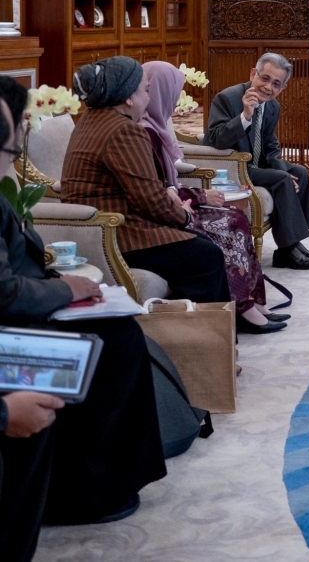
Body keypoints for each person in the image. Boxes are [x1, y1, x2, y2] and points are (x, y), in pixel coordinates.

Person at [0, 78, 166, 561]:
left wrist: (58, 282)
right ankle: (82, 491)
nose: (12, 161)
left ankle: (104, 481)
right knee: (110, 345)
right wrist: (66, 290)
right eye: (10, 148)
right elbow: (5, 292)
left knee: (120, 333)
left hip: (25, 312)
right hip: (14, 328)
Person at [62, 56, 231, 305]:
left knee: (202, 244)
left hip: (100, 229)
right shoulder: (124, 130)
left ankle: (208, 320)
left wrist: (171, 201)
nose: (149, 98)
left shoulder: (91, 119)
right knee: (207, 255)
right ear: (129, 98)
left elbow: (142, 188)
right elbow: (150, 200)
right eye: (146, 90)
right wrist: (184, 215)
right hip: (118, 233)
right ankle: (206, 328)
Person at [140, 61, 288, 334]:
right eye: (173, 94)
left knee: (238, 215)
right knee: (228, 223)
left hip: (179, 201)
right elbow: (213, 142)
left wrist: (187, 193)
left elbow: (167, 177)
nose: (175, 104)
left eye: (276, 83)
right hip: (158, 217)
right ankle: (242, 307)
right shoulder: (141, 132)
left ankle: (253, 299)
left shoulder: (157, 126)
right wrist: (196, 196)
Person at [202, 53, 309, 269]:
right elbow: (214, 140)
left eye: (276, 84)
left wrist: (285, 171)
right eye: (265, 78)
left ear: (283, 88)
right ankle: (288, 250)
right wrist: (245, 117)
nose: (268, 87)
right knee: (282, 180)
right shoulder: (227, 98)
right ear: (253, 74)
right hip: (233, 167)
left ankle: (293, 245)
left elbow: (270, 147)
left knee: (299, 173)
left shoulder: (273, 106)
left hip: (256, 165)